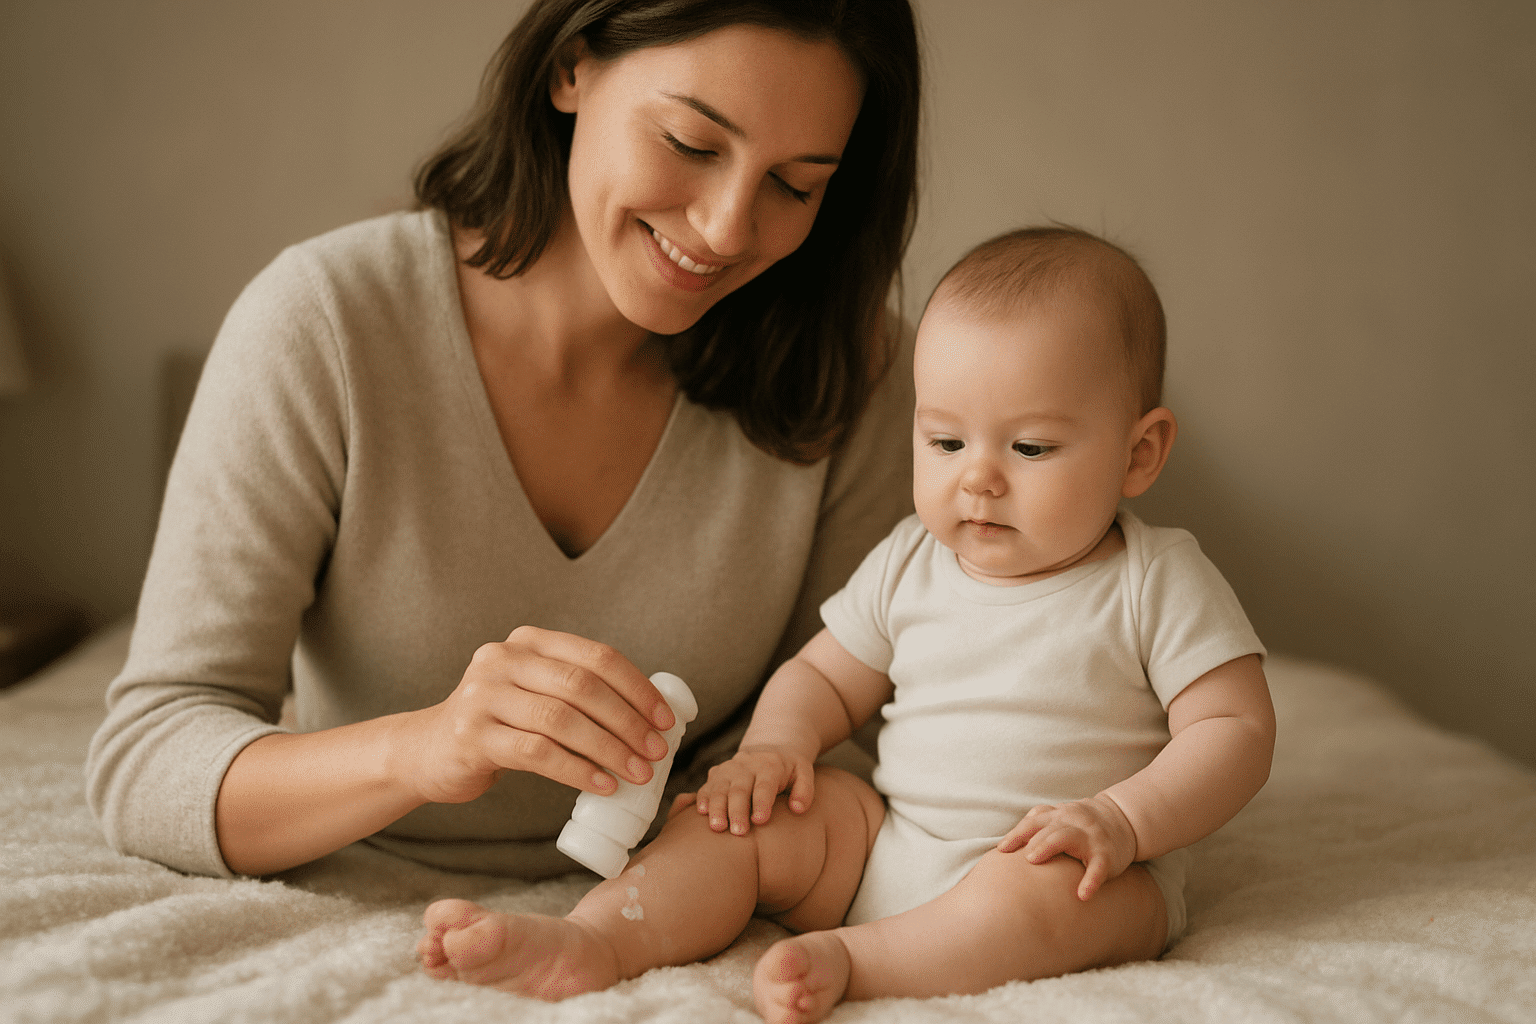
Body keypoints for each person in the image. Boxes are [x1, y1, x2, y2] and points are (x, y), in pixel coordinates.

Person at [85, 0, 921, 882]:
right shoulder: (325, 324)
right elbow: (149, 760)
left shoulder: (855, 373)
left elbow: (855, 750)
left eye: (795, 185)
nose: (725, 228)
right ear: (570, 67)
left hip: (682, 905)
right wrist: (423, 749)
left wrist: (646, 913)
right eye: (690, 143)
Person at [416, 226, 1276, 1023]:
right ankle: (598, 940)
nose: (978, 480)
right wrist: (776, 748)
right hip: (888, 843)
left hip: (1077, 865)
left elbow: (1234, 729)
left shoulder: (1153, 578)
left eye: (1031, 449)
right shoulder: (910, 559)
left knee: (1042, 897)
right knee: (744, 819)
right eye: (945, 443)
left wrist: (1123, 823)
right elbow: (824, 676)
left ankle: (860, 964)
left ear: (1139, 453)